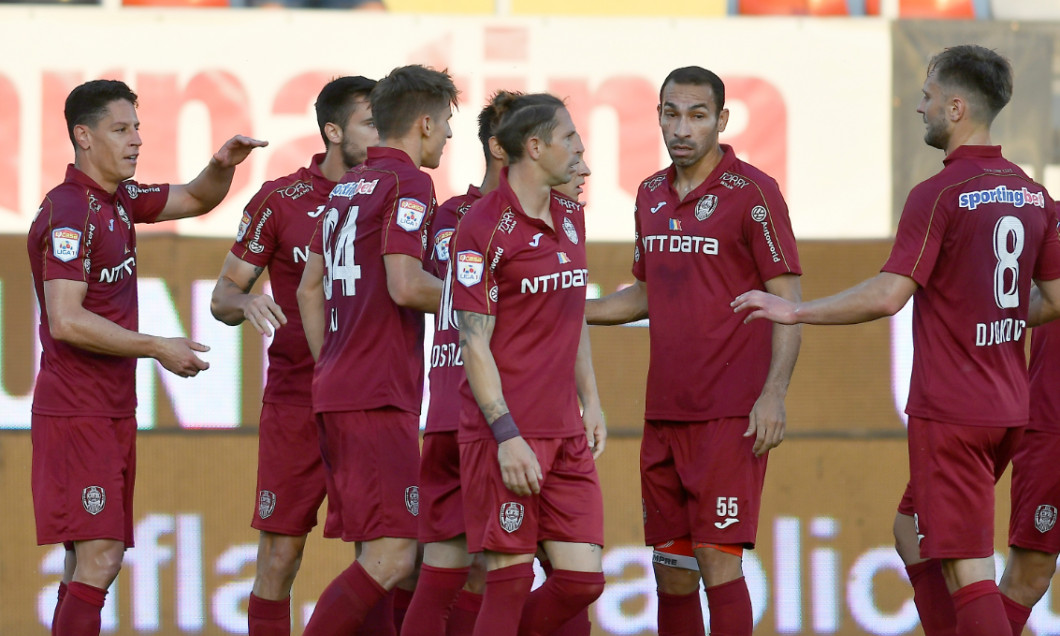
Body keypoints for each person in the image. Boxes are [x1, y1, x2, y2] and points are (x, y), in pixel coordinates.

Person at [732, 45, 1060, 636]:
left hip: (952, 411)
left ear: (956, 107)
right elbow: (1055, 299)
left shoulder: (938, 194)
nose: (921, 107)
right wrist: (998, 316)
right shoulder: (1034, 195)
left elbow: (888, 295)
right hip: (1010, 407)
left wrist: (797, 310)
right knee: (910, 529)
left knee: (968, 569)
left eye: (929, 97)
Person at [28, 79, 264, 636]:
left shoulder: (117, 201)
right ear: (83, 137)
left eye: (137, 127)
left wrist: (222, 164)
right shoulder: (70, 212)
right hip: (76, 413)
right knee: (102, 558)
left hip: (107, 409)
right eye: (121, 129)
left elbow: (195, 197)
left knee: (84, 563)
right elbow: (65, 319)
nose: (136, 140)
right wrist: (158, 346)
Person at [584, 66, 802, 636]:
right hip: (664, 413)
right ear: (656, 115)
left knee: (716, 560)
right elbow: (645, 295)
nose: (682, 128)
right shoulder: (650, 193)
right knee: (671, 571)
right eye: (671, 114)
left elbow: (789, 304)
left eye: (697, 115)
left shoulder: (754, 193)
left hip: (730, 413)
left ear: (722, 121)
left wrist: (774, 394)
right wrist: (566, 307)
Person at [208, 75, 378, 636]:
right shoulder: (279, 200)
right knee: (280, 557)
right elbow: (223, 296)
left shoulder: (394, 195)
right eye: (369, 124)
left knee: (384, 560)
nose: (381, 136)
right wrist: (247, 300)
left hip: (369, 402)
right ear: (332, 131)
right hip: (295, 402)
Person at [295, 64, 458, 636]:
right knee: (396, 556)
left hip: (339, 388)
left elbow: (307, 288)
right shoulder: (408, 184)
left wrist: (332, 362)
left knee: (376, 555)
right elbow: (407, 285)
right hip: (376, 393)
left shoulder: (345, 186)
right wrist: (488, 300)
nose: (449, 138)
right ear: (423, 123)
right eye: (446, 124)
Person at [451, 91, 607, 636]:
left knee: (582, 583)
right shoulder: (481, 229)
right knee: (509, 580)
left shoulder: (570, 217)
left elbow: (573, 318)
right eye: (569, 140)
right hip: (506, 436)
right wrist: (506, 433)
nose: (580, 154)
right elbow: (474, 342)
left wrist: (591, 400)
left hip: (565, 432)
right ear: (535, 146)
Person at [399, 96, 506, 636]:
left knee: (462, 566)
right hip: (487, 411)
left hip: (459, 409)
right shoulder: (455, 217)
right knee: (496, 565)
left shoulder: (449, 217)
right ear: (500, 146)